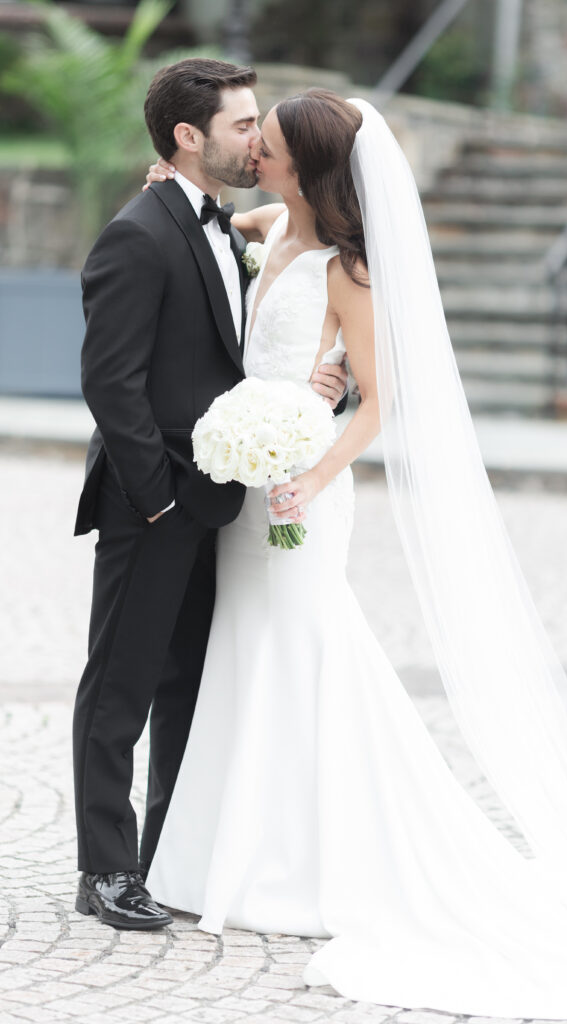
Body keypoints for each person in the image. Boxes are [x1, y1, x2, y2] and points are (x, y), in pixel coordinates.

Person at [140, 90, 567, 1017]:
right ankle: (232, 845)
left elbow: (383, 405)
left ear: (309, 168)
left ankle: (308, 861)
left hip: (299, 493)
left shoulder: (352, 273)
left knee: (306, 652)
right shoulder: (270, 228)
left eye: (266, 147)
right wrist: (165, 182)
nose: (254, 158)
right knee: (249, 650)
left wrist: (311, 473)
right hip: (250, 480)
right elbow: (217, 218)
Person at [72, 59, 347, 931]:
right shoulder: (136, 235)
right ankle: (105, 871)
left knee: (186, 686)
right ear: (188, 137)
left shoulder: (227, 227)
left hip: (220, 505)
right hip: (152, 503)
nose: (256, 138)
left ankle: (166, 855)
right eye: (241, 125)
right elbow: (110, 385)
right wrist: (157, 500)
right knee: (120, 685)